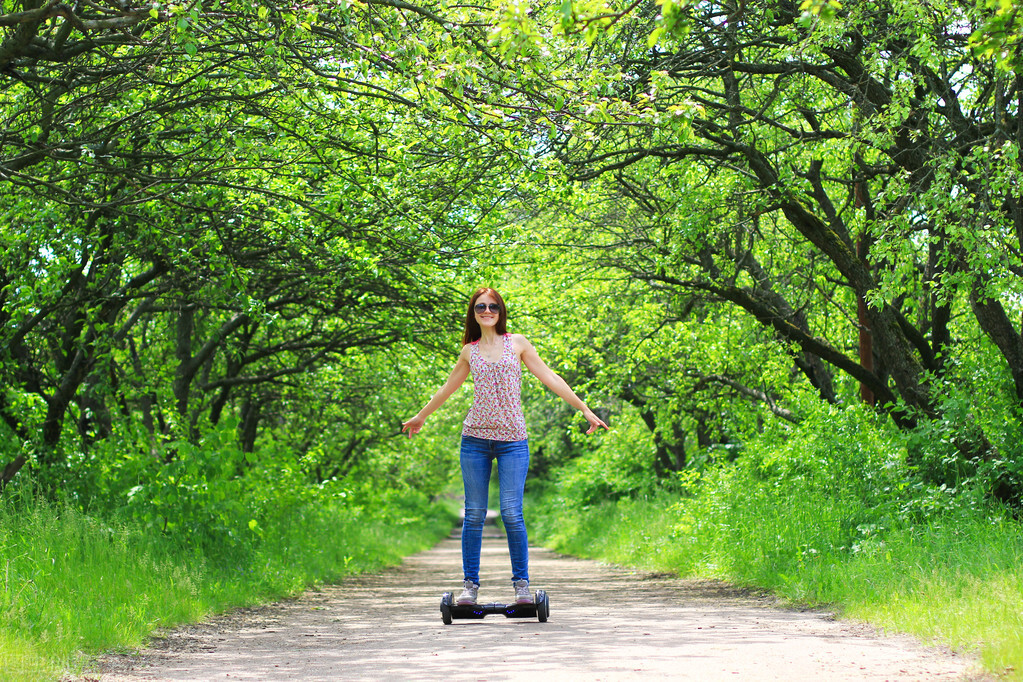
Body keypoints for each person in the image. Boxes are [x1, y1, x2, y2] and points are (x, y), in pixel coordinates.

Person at [402, 287, 608, 607]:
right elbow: (448, 387)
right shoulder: (469, 352)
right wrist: (421, 416)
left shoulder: (518, 343)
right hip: (475, 440)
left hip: (513, 441)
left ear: (500, 311)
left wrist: (583, 408)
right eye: (481, 307)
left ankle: (522, 587)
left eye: (493, 306)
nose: (487, 311)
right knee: (474, 514)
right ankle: (469, 587)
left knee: (512, 513)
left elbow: (550, 377)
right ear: (473, 313)